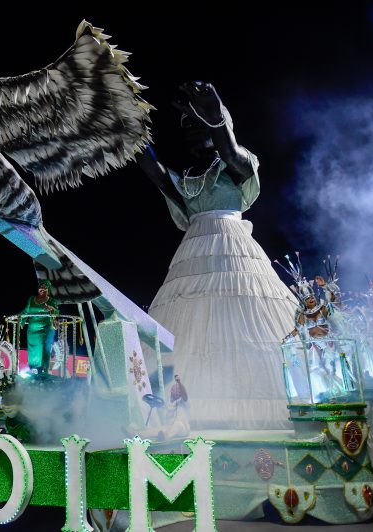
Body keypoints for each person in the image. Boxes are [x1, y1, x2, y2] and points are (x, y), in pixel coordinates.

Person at [137, 81, 297, 430]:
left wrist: (215, 118)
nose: (192, 133)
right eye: (187, 128)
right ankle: (172, 418)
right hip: (193, 255)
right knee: (188, 329)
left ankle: (252, 418)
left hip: (232, 249)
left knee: (239, 324)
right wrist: (130, 129)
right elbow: (154, 171)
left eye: (197, 125)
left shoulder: (235, 164)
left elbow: (231, 155)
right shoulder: (187, 180)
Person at [19, 279, 59, 376]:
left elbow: (56, 312)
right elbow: (25, 311)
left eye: (45, 288)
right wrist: (19, 319)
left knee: (43, 348)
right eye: (41, 287)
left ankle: (43, 370)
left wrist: (52, 309)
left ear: (48, 290)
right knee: (33, 349)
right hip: (32, 329)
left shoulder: (52, 301)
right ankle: (33, 369)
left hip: (45, 328)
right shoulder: (32, 299)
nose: (42, 289)